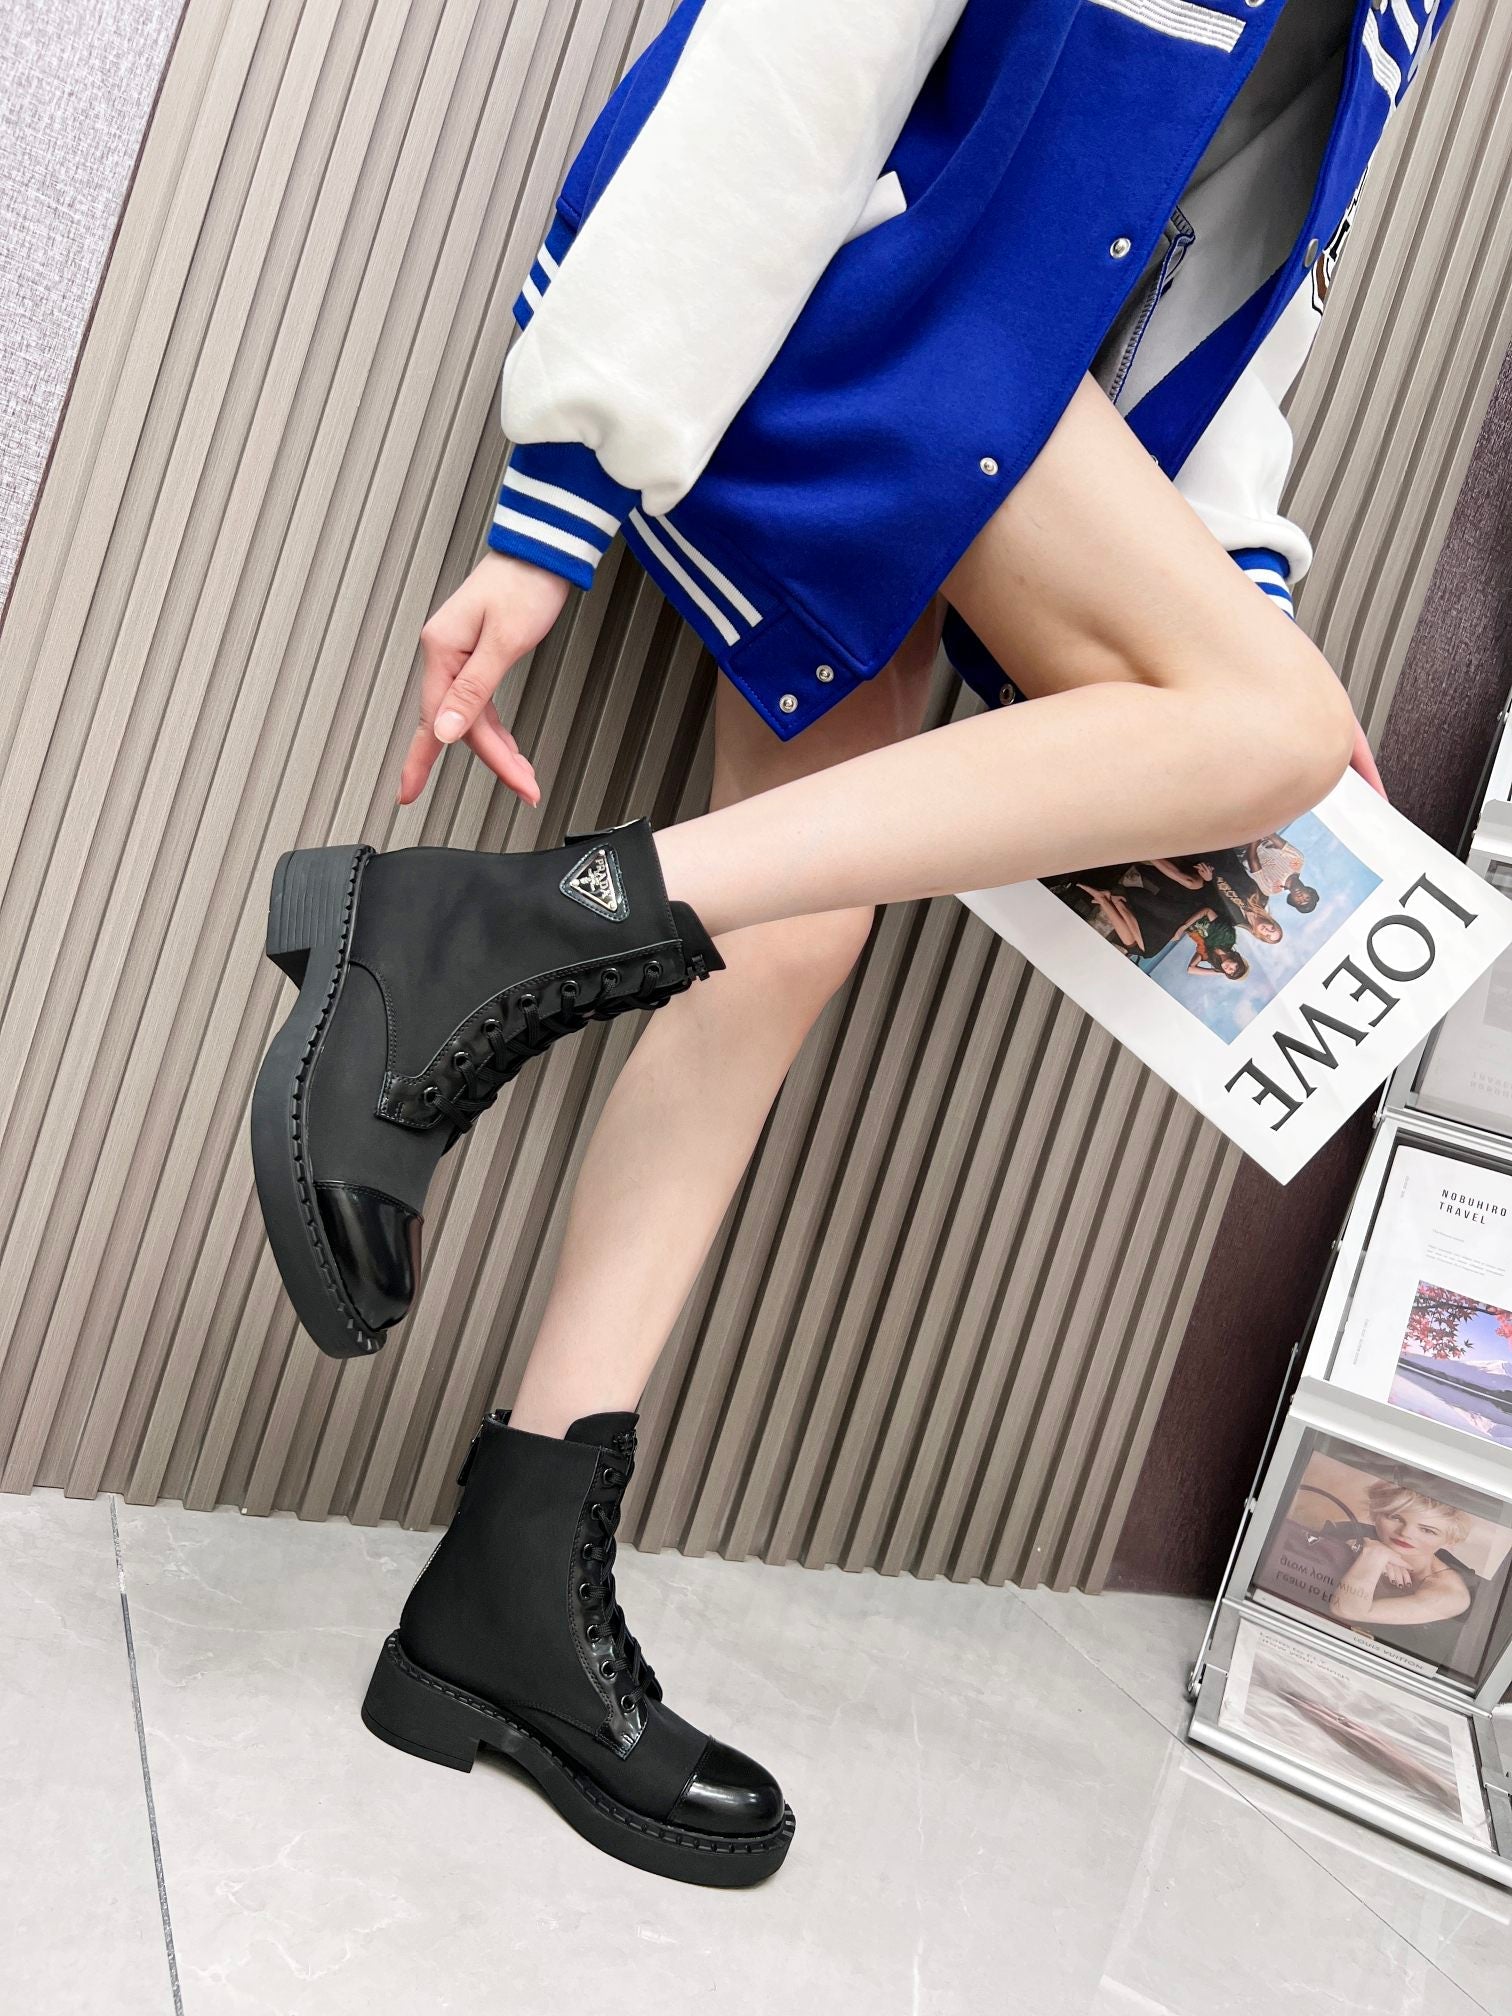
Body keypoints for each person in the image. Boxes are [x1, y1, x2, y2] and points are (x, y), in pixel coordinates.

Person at [250, 0, 1454, 1887]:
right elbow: (794, 55)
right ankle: (477, 930)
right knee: (1263, 727)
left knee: (794, 928)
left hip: (987, 379)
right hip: (861, 307)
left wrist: (1233, 598)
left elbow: (1234, 264)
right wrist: (558, 495)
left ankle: (500, 1588)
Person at [1325, 1480, 1477, 1672]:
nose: (1405, 1533)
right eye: (1395, 1517)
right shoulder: (1353, 1532)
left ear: (1450, 1541)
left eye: (1427, 1530)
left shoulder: (1450, 1593)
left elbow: (1347, 1610)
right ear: (1375, 1513)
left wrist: (1375, 1554)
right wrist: (1364, 1548)